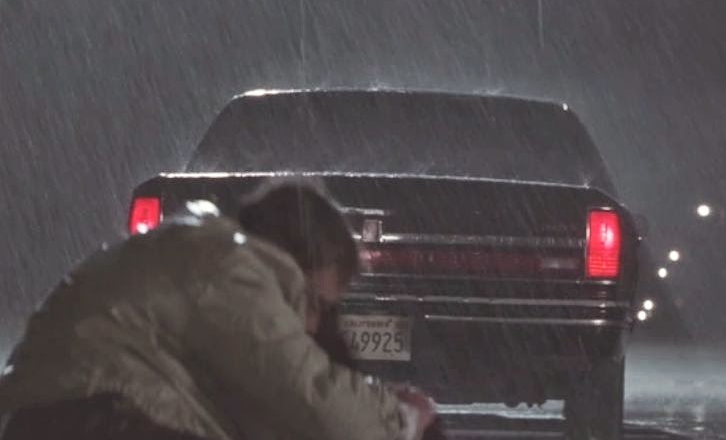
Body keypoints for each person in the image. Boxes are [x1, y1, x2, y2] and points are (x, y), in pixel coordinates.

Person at [0, 180, 435, 440]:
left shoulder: (199, 253)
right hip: (96, 422)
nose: (314, 323)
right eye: (317, 304)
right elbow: (305, 391)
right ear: (297, 262)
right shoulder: (228, 268)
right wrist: (402, 418)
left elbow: (273, 413)